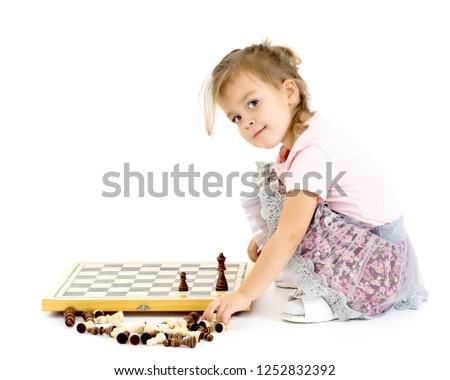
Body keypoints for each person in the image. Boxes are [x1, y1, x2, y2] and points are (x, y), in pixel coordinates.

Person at [201, 40, 427, 324]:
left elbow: (291, 232)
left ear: (289, 92)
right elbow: (292, 222)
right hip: (370, 249)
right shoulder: (301, 142)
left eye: (253, 103)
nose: (246, 121)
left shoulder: (312, 152)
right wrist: (271, 238)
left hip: (374, 270)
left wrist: (245, 294)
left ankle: (334, 297)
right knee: (279, 195)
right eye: (236, 117)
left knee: (288, 220)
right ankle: (307, 272)